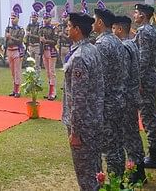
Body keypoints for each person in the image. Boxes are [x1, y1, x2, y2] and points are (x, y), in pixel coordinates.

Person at [62, 11, 104, 191]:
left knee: (85, 174)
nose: (66, 29)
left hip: (83, 125)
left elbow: (78, 98)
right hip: (94, 119)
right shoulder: (92, 49)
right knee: (95, 170)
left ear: (77, 30)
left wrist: (76, 132)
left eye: (69, 26)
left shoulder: (79, 56)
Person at [93, 1, 127, 179]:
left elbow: (100, 78)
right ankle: (120, 180)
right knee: (117, 143)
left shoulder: (102, 45)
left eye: (94, 20)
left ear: (100, 23)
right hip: (119, 98)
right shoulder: (117, 41)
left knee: (109, 146)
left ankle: (115, 181)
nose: (92, 24)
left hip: (107, 102)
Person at [112, 15, 146, 184]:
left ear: (119, 29)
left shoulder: (123, 47)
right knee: (133, 134)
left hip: (125, 97)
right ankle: (139, 170)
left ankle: (136, 172)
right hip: (132, 95)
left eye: (113, 29)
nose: (112, 32)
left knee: (129, 136)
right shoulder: (132, 43)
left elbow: (123, 75)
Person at [133, 2, 156, 169]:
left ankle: (155, 156)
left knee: (148, 117)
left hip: (145, 80)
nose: (134, 15)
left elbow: (143, 59)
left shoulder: (144, 31)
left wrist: (138, 81)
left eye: (136, 13)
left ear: (143, 16)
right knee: (153, 116)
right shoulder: (151, 31)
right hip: (152, 76)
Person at [40, 0, 58, 100]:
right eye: (44, 18)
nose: (45, 20)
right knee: (47, 72)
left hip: (51, 51)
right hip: (44, 51)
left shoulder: (53, 29)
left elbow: (55, 41)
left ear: (50, 18)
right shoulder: (41, 29)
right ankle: (50, 91)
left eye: (47, 18)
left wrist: (45, 40)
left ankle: (53, 92)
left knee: (52, 71)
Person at [5, 4, 25, 97]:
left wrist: (10, 37)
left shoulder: (21, 30)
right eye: (11, 18)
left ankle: (18, 90)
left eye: (14, 18)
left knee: (17, 71)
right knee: (12, 71)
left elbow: (20, 41)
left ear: (18, 19)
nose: (12, 20)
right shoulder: (8, 28)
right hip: (9, 50)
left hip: (17, 51)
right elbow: (6, 40)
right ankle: (14, 89)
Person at [25, 2, 43, 72]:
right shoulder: (29, 25)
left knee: (37, 63)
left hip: (37, 45)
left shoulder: (39, 26)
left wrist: (30, 34)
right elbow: (27, 32)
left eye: (34, 17)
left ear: (37, 17)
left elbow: (39, 37)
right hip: (30, 45)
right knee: (31, 63)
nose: (33, 18)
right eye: (32, 17)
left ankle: (37, 77)